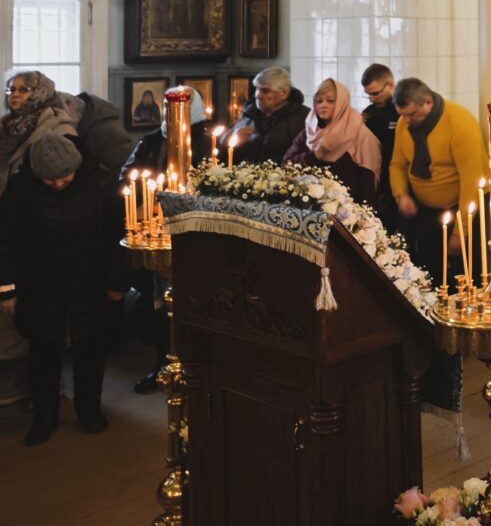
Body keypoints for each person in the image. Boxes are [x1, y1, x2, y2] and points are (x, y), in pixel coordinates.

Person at [0, 134, 124, 445]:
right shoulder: (21, 186)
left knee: (90, 349)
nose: (57, 184)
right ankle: (45, 416)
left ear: (77, 167)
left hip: (90, 279)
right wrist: (7, 287)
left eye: (64, 177)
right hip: (39, 281)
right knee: (43, 352)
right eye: (49, 179)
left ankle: (89, 410)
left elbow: (118, 237)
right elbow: (6, 239)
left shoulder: (102, 183)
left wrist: (117, 281)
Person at [120, 86, 211, 394]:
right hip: (153, 232)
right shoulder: (150, 141)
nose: (173, 115)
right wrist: (144, 199)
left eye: (180, 108)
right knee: (159, 305)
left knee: (194, 302)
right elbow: (128, 177)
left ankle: (198, 369)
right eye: (169, 108)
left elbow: (214, 187)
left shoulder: (207, 142)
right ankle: (162, 365)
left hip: (194, 235)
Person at [388, 78, 488, 279]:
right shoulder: (404, 123)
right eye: (402, 115)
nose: (407, 121)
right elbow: (397, 164)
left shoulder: (460, 123)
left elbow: (471, 182)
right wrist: (401, 195)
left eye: (412, 114)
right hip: (426, 211)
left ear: (428, 102)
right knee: (430, 271)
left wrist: (461, 233)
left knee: (466, 274)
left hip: (465, 209)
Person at [283, 79, 383, 208]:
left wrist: (360, 217)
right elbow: (287, 163)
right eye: (319, 101)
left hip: (347, 211)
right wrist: (316, 155)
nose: (323, 105)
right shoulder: (310, 131)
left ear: (342, 103)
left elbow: (368, 181)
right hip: (310, 208)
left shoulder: (360, 134)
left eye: (330, 101)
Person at [1, 71, 79, 196]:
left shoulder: (59, 127)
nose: (14, 94)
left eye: (23, 90)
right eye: (12, 90)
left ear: (41, 92)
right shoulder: (5, 125)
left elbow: (66, 176)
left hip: (35, 204)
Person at [218, 67, 307, 164]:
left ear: (283, 94)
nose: (258, 95)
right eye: (257, 89)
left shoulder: (303, 117)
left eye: (265, 90)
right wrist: (229, 141)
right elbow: (226, 156)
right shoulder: (248, 114)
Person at [361, 63, 398, 211]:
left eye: (376, 93)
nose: (372, 99)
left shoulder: (403, 110)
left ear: (390, 85)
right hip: (377, 181)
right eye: (368, 95)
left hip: (400, 179)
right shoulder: (368, 114)